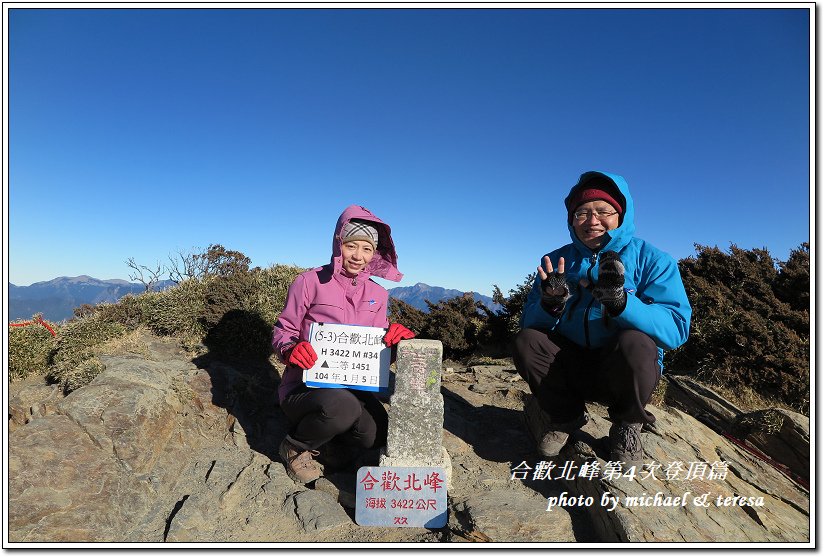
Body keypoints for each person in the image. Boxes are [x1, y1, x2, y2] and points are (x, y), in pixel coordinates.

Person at [513, 171, 691, 466]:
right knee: (526, 341)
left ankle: (627, 424)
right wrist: (549, 305)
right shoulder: (556, 261)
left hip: (621, 370)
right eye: (581, 212)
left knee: (636, 341)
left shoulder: (653, 260)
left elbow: (675, 330)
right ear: (571, 220)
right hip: (571, 366)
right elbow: (530, 326)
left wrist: (623, 304)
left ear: (621, 215)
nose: (592, 221)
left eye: (603, 211)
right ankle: (565, 417)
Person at [272, 205, 415, 483]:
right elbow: (283, 329)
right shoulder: (308, 281)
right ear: (339, 243)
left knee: (376, 435)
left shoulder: (378, 294)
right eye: (352, 245)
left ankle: (328, 444)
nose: (358, 256)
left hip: (354, 386)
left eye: (366, 249)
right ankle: (295, 446)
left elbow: (374, 350)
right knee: (342, 408)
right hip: (305, 388)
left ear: (375, 253)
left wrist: (397, 344)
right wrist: (290, 349)